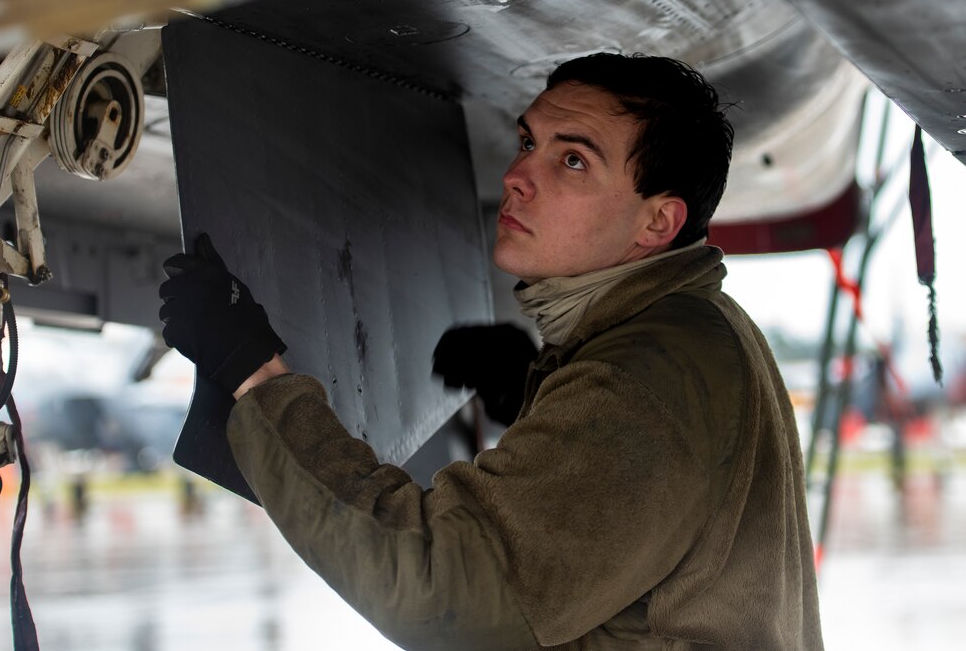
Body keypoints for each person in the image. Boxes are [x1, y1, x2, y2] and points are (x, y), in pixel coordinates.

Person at [159, 53, 824, 650]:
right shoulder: (691, 330)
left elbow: (442, 593)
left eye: (572, 161)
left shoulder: (646, 376)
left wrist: (254, 372)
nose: (516, 176)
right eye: (528, 143)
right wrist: (536, 386)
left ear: (657, 221)